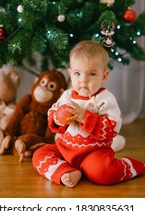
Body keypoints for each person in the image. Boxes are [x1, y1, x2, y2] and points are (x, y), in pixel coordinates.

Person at [32, 40, 145, 187]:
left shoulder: (104, 99)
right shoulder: (67, 95)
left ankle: (131, 166)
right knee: (39, 155)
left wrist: (84, 116)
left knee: (103, 173)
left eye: (91, 74)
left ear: (104, 76)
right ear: (71, 74)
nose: (83, 80)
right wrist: (58, 119)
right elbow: (53, 110)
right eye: (78, 74)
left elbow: (113, 127)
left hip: (93, 153)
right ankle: (66, 171)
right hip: (65, 149)